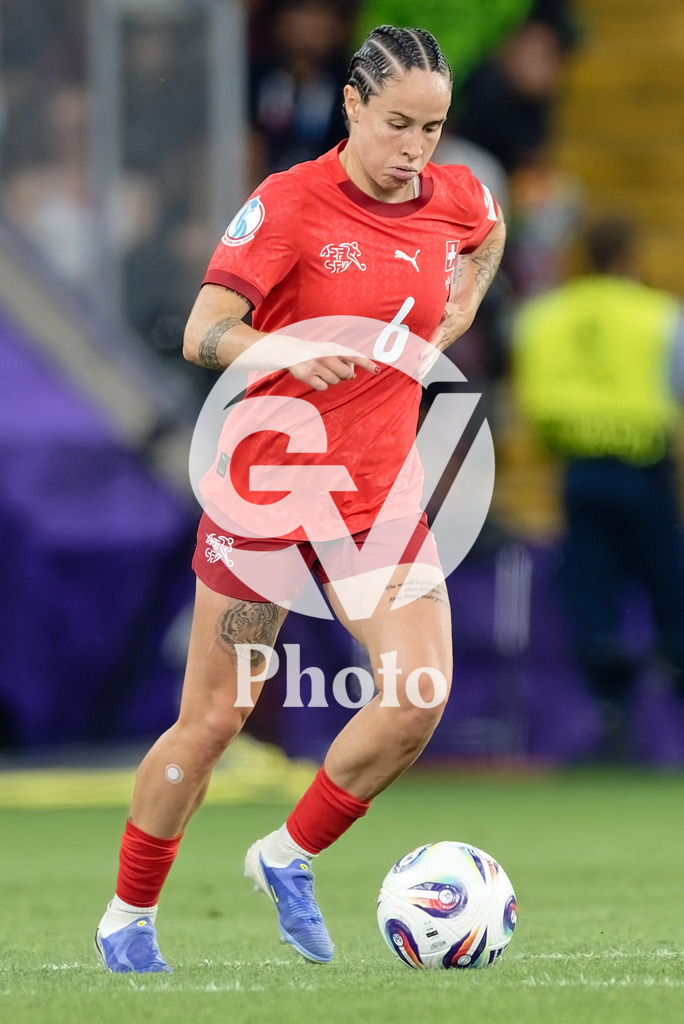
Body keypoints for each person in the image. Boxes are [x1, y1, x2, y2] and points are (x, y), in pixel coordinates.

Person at [95, 24, 506, 972]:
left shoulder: (454, 196)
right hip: (271, 499)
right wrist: (284, 349)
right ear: (353, 105)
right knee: (213, 722)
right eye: (398, 123)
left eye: (433, 128)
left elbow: (485, 233)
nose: (416, 149)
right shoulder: (289, 203)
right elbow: (204, 331)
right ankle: (128, 915)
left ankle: (287, 856)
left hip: (377, 504)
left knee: (417, 699)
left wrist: (468, 302)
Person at [512, 215, 684, 756]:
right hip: (644, 468)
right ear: (630, 257)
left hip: (579, 472)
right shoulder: (661, 317)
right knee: (669, 592)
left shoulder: (543, 317)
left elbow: (524, 390)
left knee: (591, 595)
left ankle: (612, 721)